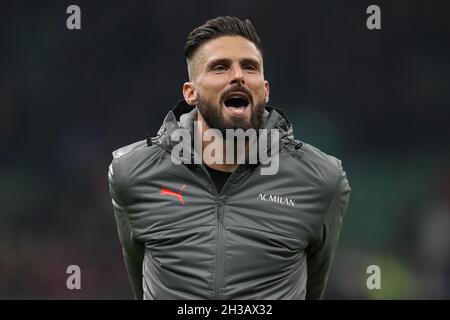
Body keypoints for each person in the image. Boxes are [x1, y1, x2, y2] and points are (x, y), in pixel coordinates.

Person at [108, 16, 351, 300]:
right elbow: (141, 281)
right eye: (220, 67)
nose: (238, 76)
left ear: (265, 89)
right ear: (191, 93)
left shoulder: (321, 179)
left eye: (250, 67)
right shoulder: (131, 174)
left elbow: (313, 287)